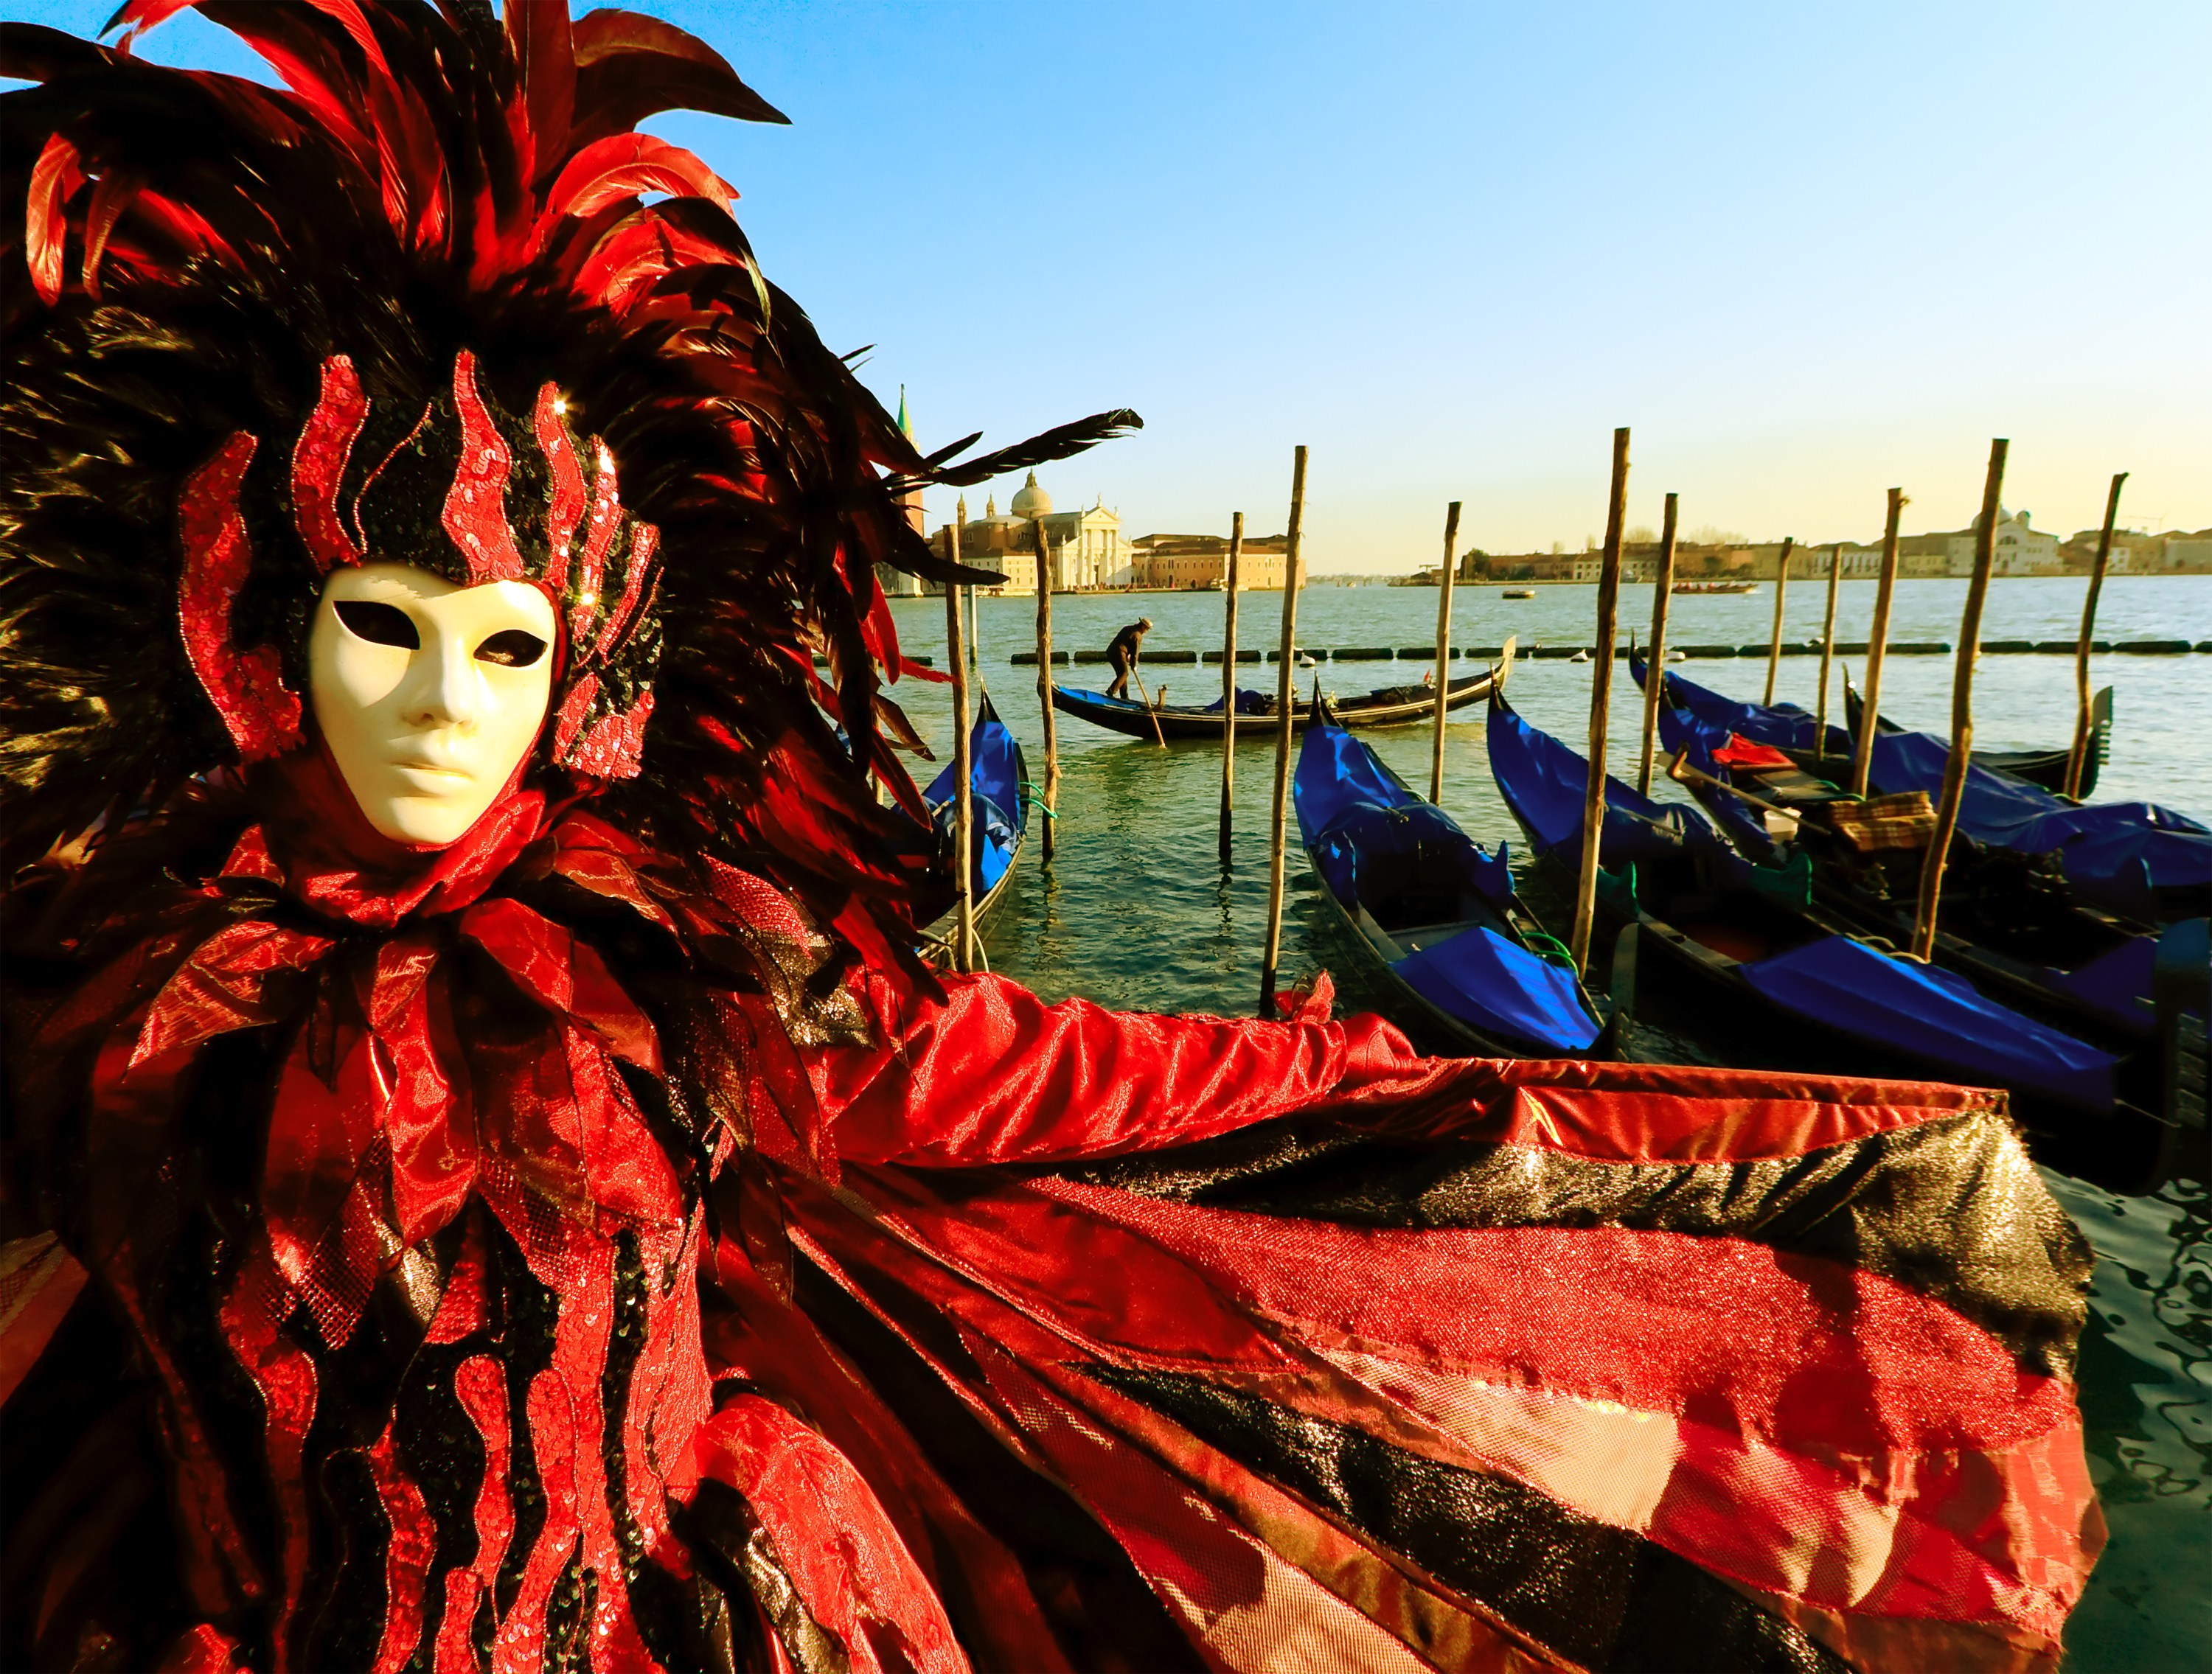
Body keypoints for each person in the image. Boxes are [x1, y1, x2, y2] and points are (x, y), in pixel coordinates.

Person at [0, 6, 2099, 1671]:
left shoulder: (709, 965)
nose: (449, 702)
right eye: (387, 624)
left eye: (507, 640)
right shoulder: (92, 979)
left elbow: (1074, 1072)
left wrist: (1394, 1074)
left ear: (597, 663)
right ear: (250, 624)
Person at [1105, 616, 1152, 698]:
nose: (1146, 632)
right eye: (1147, 629)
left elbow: (1123, 642)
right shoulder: (1137, 635)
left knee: (1122, 674)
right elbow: (1135, 653)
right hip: (1118, 653)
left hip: (1111, 651)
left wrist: (1127, 655)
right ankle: (1111, 691)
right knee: (1124, 673)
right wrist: (1134, 665)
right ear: (1143, 626)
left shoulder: (1128, 628)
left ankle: (1124, 697)